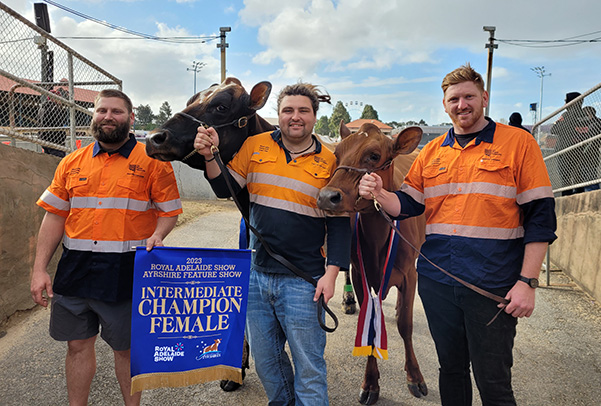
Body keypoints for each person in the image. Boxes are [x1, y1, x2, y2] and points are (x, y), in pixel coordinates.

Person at [358, 64, 557, 406]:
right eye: (454, 99)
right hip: (438, 282)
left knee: (493, 381)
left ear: (484, 98)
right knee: (450, 370)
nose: (461, 105)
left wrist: (528, 281)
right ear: (445, 105)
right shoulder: (432, 152)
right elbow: (407, 204)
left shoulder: (518, 143)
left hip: (490, 284)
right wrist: (378, 192)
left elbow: (541, 216)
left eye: (468, 97)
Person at [194, 83, 351, 406]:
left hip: (304, 281)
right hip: (256, 276)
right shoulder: (255, 146)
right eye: (288, 110)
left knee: (309, 367)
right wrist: (210, 156)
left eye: (303, 111)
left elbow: (338, 222)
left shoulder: (330, 160)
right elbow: (226, 189)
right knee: (268, 364)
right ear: (278, 115)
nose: (295, 117)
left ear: (314, 116)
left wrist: (332, 273)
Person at [30, 89, 183, 406]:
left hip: (126, 271)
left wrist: (159, 234)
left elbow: (169, 212)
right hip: (75, 270)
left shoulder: (153, 162)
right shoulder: (71, 162)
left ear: (130, 117)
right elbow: (54, 216)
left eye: (117, 111)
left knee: (125, 350)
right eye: (102, 111)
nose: (108, 117)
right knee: (76, 345)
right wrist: (39, 269)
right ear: (93, 116)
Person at [551, 91, 586, 195]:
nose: (565, 103)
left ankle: (567, 198)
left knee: (565, 178)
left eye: (566, 101)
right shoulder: (585, 114)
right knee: (579, 178)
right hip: (580, 149)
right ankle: (580, 196)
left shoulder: (567, 115)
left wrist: (559, 124)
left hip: (565, 150)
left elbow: (554, 129)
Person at [38, 88, 69, 157]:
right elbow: (58, 123)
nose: (61, 100)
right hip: (55, 140)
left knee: (48, 160)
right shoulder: (54, 108)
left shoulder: (42, 107)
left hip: (45, 139)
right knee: (59, 160)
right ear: (54, 98)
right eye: (59, 98)